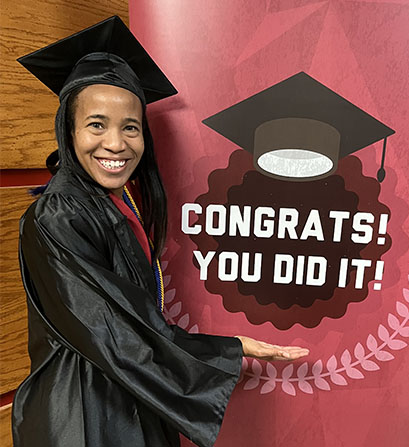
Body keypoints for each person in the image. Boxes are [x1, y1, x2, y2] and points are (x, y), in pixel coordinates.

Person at [12, 16, 309, 447]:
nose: (116, 143)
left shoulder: (115, 199)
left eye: (130, 127)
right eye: (96, 124)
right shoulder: (57, 215)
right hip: (85, 412)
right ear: (69, 130)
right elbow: (110, 329)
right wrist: (223, 351)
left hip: (127, 393)